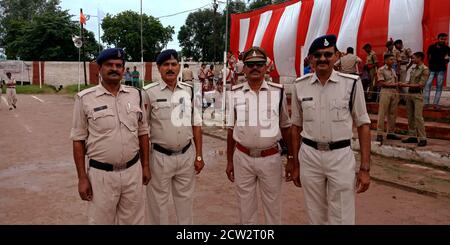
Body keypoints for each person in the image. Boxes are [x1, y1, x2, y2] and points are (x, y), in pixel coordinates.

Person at [289, 35, 371, 225]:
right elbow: (295, 127)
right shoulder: (300, 86)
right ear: (310, 59)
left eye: (328, 54)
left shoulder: (351, 84)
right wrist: (295, 163)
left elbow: (363, 125)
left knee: (342, 215)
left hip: (340, 156)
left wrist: (365, 168)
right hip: (309, 155)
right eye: (317, 55)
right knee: (314, 214)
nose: (322, 59)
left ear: (337, 56)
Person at [70, 48, 150, 225]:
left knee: (134, 221)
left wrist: (145, 165)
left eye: (119, 65)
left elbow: (143, 132)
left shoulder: (135, 95)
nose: (114, 68)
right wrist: (82, 178)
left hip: (132, 172)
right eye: (109, 65)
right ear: (100, 68)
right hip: (101, 176)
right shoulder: (85, 99)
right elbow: (78, 140)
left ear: (123, 69)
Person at [226, 46, 291, 225]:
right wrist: (230, 160)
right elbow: (231, 129)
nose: (255, 68)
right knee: (245, 209)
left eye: (259, 64)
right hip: (242, 157)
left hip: (270, 158)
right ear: (244, 68)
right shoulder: (235, 93)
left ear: (266, 67)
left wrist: (292, 158)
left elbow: (286, 127)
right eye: (250, 64)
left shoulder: (278, 92)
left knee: (273, 208)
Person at [143, 49, 204, 225]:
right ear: (158, 68)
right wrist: (145, 164)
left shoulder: (189, 91)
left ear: (179, 66)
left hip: (186, 156)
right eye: (166, 65)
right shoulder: (148, 93)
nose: (170, 68)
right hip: (160, 158)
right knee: (158, 207)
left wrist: (199, 155)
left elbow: (196, 125)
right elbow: (142, 130)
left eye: (173, 64)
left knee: (186, 204)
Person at [400, 52, 430, 147]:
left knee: (418, 117)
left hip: (417, 95)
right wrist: (404, 83)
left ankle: (422, 138)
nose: (412, 60)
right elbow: (411, 81)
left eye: (413, 58)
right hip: (410, 94)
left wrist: (406, 85)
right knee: (410, 116)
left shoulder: (425, 69)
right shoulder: (413, 69)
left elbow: (421, 85)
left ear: (420, 58)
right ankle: (412, 136)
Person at [375, 54, 401, 142]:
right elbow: (381, 83)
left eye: (393, 59)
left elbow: (395, 81)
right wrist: (395, 85)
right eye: (391, 59)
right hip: (385, 91)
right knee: (382, 113)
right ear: (385, 60)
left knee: (393, 114)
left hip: (394, 92)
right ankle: (379, 133)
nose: (393, 61)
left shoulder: (393, 70)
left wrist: (397, 91)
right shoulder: (381, 70)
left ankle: (391, 133)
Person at [424, 33, 450, 107]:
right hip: (431, 69)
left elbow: (447, 60)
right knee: (427, 85)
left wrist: (447, 59)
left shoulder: (447, 48)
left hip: (441, 70)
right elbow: (428, 57)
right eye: (442, 39)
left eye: (445, 39)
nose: (443, 40)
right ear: (438, 38)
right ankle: (426, 103)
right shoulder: (431, 47)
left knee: (439, 87)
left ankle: (436, 104)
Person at [393, 39, 412, 104]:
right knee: (398, 84)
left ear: (400, 44)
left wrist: (408, 67)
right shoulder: (395, 51)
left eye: (396, 45)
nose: (395, 46)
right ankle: (401, 99)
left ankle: (407, 99)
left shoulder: (406, 50)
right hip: (396, 67)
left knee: (402, 84)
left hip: (403, 67)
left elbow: (412, 58)